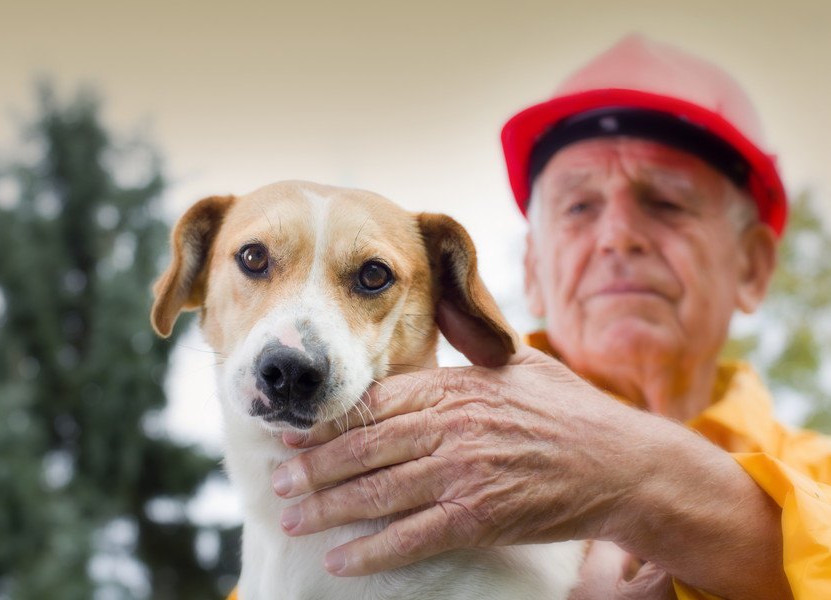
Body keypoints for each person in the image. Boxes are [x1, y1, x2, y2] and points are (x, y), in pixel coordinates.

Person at [267, 35, 831, 599]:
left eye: (666, 202)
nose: (617, 237)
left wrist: (642, 480)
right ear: (532, 268)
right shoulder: (352, 453)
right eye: (579, 206)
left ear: (753, 267)